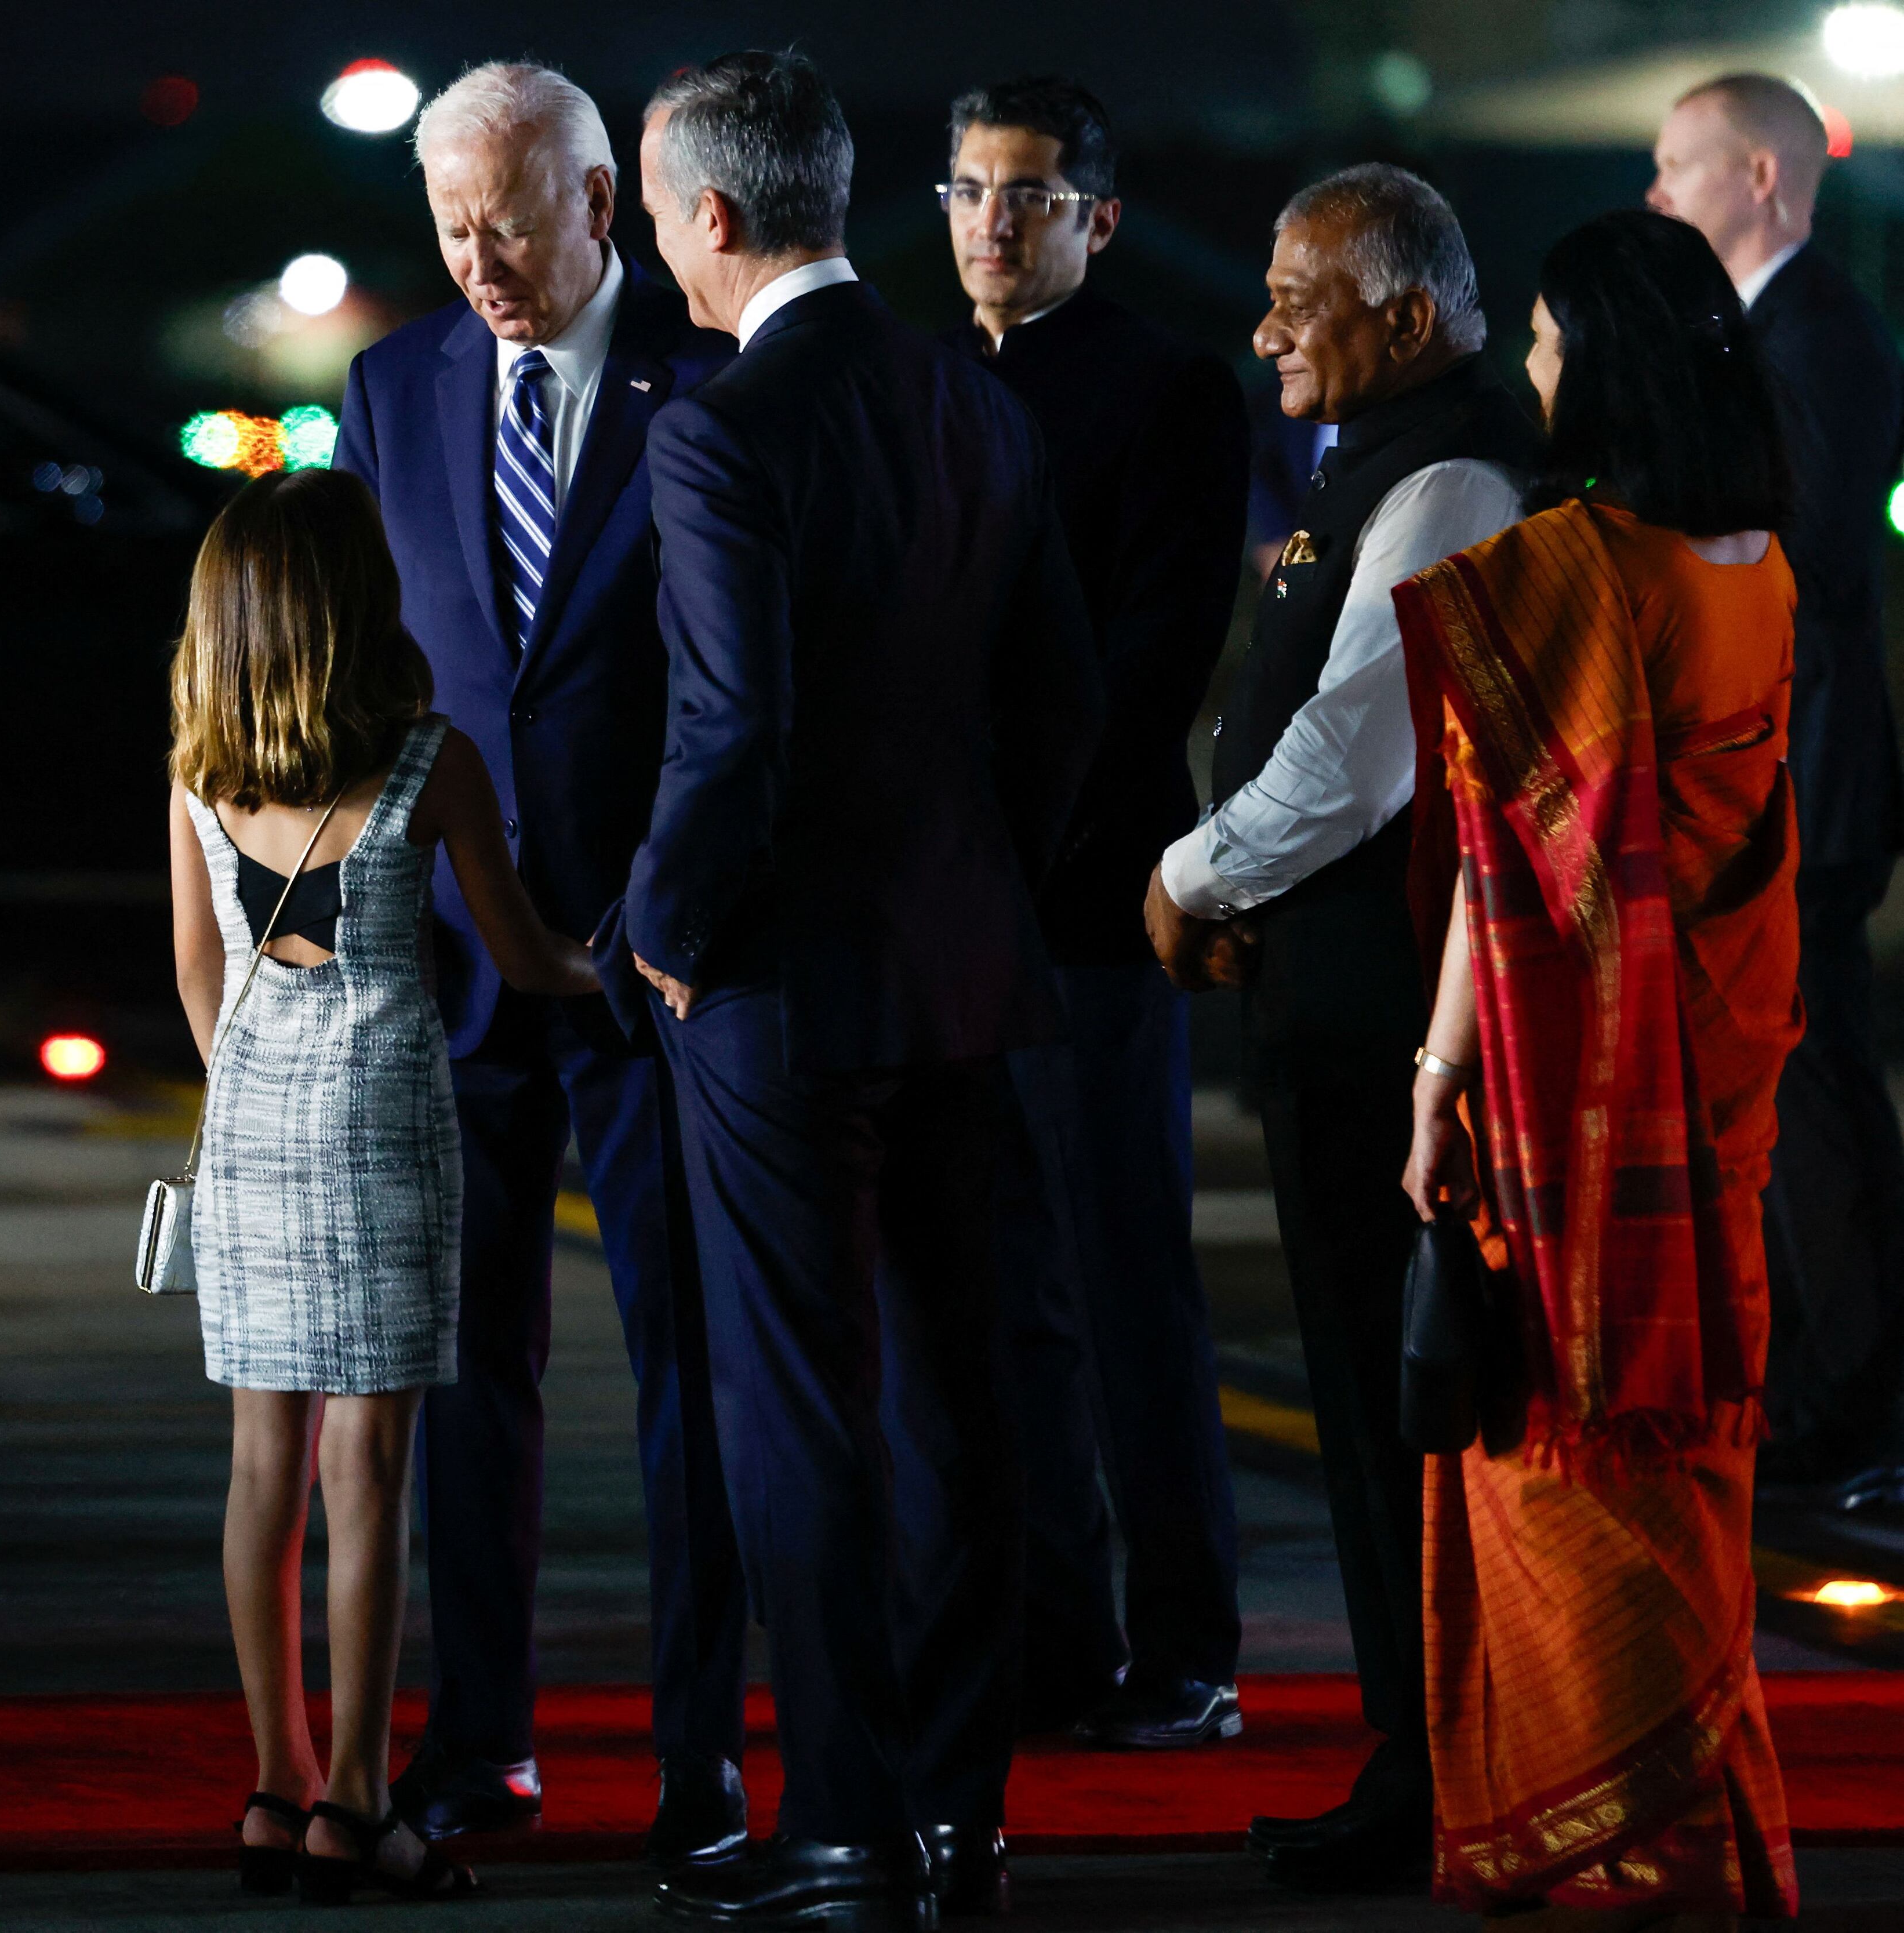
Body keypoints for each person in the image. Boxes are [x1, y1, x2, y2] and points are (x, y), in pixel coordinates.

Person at [612, 50, 1103, 1927]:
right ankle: (959, 1815)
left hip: (780, 988)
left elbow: (734, 725)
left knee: (797, 1407)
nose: (657, 248)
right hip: (965, 967)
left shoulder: (725, 428)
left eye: (658, 215)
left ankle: (836, 1822)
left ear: (717, 217)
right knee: (962, 1399)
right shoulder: (964, 401)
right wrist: (982, 875)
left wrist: (663, 920)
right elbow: (1060, 697)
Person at [330, 61, 753, 1864]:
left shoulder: (711, 391)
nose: (481, 259)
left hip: (654, 964)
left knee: (692, 1375)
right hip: (455, 967)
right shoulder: (394, 385)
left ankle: (699, 1756)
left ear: (601, 203)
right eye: (449, 224)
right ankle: (482, 1736)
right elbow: (368, 662)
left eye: (510, 219)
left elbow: (734, 695)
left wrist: (651, 908)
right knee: (466, 1370)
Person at [1397, 206, 1802, 1925]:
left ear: (1606, 363)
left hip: (1578, 1122)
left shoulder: (1583, 572)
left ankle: (1611, 1846)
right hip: (1718, 1079)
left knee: (1560, 1464)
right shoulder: (1762, 565)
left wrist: (1432, 1076)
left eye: (1552, 344)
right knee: (1691, 1451)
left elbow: (1507, 878)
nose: (1537, 370)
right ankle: (1700, 1821)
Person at [1142, 163, 1535, 1893]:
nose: (1266, 324)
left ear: (1412, 315)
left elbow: (1361, 750)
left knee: (1400, 1400)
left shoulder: (1450, 474)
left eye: (1302, 297)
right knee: (1376, 1385)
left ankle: (1440, 1762)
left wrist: (1196, 875)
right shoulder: (1383, 458)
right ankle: (1421, 1746)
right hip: (1332, 989)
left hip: (1390, 1014)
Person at [165, 467, 599, 1905]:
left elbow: (199, 977)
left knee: (261, 1468)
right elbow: (526, 956)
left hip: (252, 1125)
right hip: (387, 1122)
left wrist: (248, 1092)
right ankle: (359, 1800)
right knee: (371, 1474)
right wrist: (626, 969)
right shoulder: (429, 762)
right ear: (358, 607)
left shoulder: (198, 772)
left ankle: (271, 1786)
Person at [943, 72, 1251, 1751]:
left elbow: (1150, 666)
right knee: (1002, 1293)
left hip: (1088, 902)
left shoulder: (1166, 392)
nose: (997, 218)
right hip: (956, 908)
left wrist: (1006, 823)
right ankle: (1055, 1631)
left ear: (1097, 220)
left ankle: (1190, 1643)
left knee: (1128, 1283)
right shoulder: (927, 379)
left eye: (1033, 193)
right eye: (975, 189)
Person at [1649, 73, 1904, 1502]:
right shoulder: (1781, 332)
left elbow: (1802, 560)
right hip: (1780, 776)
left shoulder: (1819, 336)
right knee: (1792, 1098)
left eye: (1676, 167)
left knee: (1812, 1099)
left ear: (1755, 176)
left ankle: (1853, 1408)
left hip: (1804, 783)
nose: (1658, 195)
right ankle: (1826, 1391)